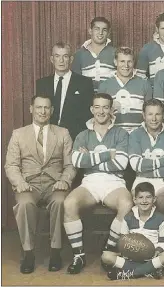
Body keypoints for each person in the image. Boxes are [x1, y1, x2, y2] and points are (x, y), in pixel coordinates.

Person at [4, 95, 76, 274]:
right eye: (39, 107)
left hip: (55, 184)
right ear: (31, 109)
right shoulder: (18, 134)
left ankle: (55, 252)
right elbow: (11, 165)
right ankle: (28, 253)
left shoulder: (63, 133)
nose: (42, 112)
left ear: (51, 111)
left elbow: (70, 165)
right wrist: (19, 183)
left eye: (46, 108)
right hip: (29, 185)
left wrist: (64, 180)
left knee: (60, 202)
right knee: (24, 204)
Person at [63, 93, 133, 274]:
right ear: (91, 109)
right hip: (90, 181)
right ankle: (78, 255)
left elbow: (121, 163)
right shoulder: (83, 134)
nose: (101, 111)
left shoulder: (121, 133)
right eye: (97, 107)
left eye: (105, 107)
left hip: (114, 181)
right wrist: (106, 155)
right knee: (70, 203)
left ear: (111, 110)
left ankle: (108, 250)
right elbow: (77, 161)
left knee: (126, 204)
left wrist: (90, 157)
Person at [101, 182, 164, 280]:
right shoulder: (128, 218)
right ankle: (149, 270)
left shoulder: (160, 218)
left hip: (151, 257)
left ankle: (130, 273)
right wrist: (127, 252)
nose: (144, 201)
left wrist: (157, 251)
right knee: (106, 256)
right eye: (140, 197)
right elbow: (123, 240)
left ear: (154, 199)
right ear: (135, 200)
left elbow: (162, 242)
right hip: (131, 256)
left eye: (148, 197)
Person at [128, 99, 164, 213]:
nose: (154, 118)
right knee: (141, 204)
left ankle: (162, 231)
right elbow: (136, 165)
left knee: (163, 202)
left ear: (163, 115)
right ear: (143, 115)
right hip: (141, 180)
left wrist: (146, 168)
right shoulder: (135, 135)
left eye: (158, 114)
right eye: (150, 114)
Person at [36, 42, 94, 141]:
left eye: (65, 56)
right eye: (57, 56)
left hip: (75, 138)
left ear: (71, 59)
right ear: (52, 59)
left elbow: (88, 115)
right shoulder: (42, 84)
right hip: (48, 138)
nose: (61, 60)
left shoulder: (84, 83)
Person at [98, 47, 153, 134]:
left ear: (134, 62)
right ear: (115, 62)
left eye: (129, 61)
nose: (126, 65)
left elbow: (150, 113)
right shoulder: (105, 86)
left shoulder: (145, 84)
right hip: (113, 135)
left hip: (138, 136)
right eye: (122, 61)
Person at [71, 16, 116, 93]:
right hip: (87, 98)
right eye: (97, 29)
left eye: (104, 30)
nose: (100, 33)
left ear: (108, 33)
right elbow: (75, 81)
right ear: (90, 31)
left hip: (109, 98)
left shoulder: (115, 52)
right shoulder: (79, 54)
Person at [136, 12, 164, 86]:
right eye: (162, 28)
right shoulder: (147, 48)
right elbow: (140, 77)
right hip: (154, 94)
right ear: (157, 29)